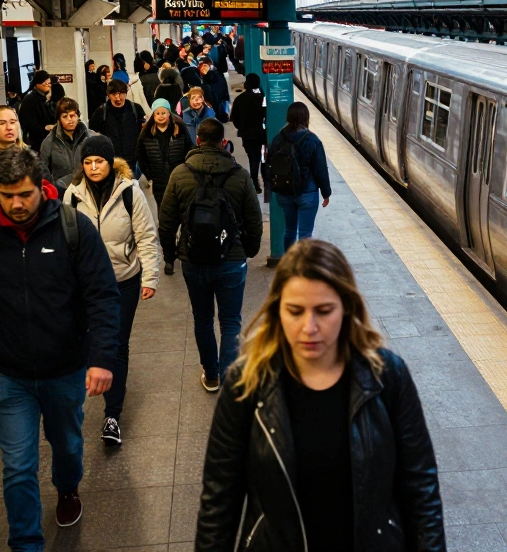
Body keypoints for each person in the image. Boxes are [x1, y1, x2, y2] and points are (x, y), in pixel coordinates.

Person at [196, 239, 444, 551]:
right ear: (277, 311)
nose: (309, 327)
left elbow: (421, 488)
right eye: (295, 311)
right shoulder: (246, 383)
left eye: (324, 311)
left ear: (346, 308)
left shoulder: (387, 377)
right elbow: (219, 499)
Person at [0, 146, 120, 550]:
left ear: (40, 188)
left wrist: (101, 358)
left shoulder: (72, 228)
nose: (17, 203)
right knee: (18, 466)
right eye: (7, 196)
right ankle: (26, 542)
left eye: (24, 194)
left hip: (64, 367)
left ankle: (67, 488)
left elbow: (102, 295)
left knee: (67, 446)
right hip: (8, 374)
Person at [63, 137, 160, 447]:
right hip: (85, 284)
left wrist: (150, 277)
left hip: (123, 280)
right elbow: (64, 240)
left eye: (99, 162)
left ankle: (112, 416)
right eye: (88, 162)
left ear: (110, 163)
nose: (93, 168)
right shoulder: (73, 195)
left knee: (117, 344)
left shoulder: (129, 192)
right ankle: (76, 402)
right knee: (84, 340)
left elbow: (145, 236)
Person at [159, 119, 262, 391]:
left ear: (198, 140)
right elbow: (254, 221)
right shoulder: (240, 175)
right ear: (223, 141)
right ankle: (229, 379)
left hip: (193, 259)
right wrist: (246, 251)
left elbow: (167, 222)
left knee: (203, 319)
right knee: (230, 322)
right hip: (231, 259)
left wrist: (171, 254)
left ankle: (212, 375)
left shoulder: (180, 174)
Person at [266, 102, 332, 250]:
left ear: (288, 117)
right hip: (307, 193)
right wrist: (326, 193)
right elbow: (321, 169)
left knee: (289, 230)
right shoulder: (313, 140)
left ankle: (288, 264)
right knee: (305, 234)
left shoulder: (278, 138)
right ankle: (302, 267)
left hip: (284, 191)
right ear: (306, 117)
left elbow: (270, 164)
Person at [135, 98, 193, 215]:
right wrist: (148, 174)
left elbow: (189, 149)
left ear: (169, 113)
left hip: (178, 176)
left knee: (180, 208)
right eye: (157, 113)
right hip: (158, 178)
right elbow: (140, 155)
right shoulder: (146, 133)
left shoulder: (179, 130)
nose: (161, 116)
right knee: (163, 209)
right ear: (153, 115)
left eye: (163, 113)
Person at [91, 79, 147, 180]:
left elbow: (144, 130)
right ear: (108, 95)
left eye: (121, 94)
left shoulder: (135, 109)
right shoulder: (101, 111)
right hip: (111, 160)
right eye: (114, 94)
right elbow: (93, 132)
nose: (118, 98)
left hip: (132, 159)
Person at [39, 97, 95, 184]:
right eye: (65, 116)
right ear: (59, 119)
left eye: (72, 115)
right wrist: (54, 188)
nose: (70, 120)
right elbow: (42, 170)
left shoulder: (90, 137)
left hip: (87, 188)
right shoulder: (49, 142)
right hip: (61, 190)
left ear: (78, 116)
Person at [229, 74, 266, 191]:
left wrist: (242, 127)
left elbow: (234, 118)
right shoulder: (262, 99)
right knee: (262, 158)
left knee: (253, 158)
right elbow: (267, 115)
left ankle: (254, 182)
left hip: (247, 135)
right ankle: (262, 180)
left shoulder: (240, 99)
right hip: (261, 133)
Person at [19, 70, 57, 150]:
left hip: (44, 140)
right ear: (37, 83)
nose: (48, 86)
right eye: (45, 83)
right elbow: (29, 123)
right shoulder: (31, 99)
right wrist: (45, 128)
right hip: (35, 142)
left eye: (49, 83)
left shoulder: (42, 98)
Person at [195, 55, 231, 122]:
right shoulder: (208, 77)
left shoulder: (214, 77)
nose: (203, 68)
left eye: (205, 66)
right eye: (201, 66)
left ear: (210, 66)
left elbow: (218, 96)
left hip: (217, 113)